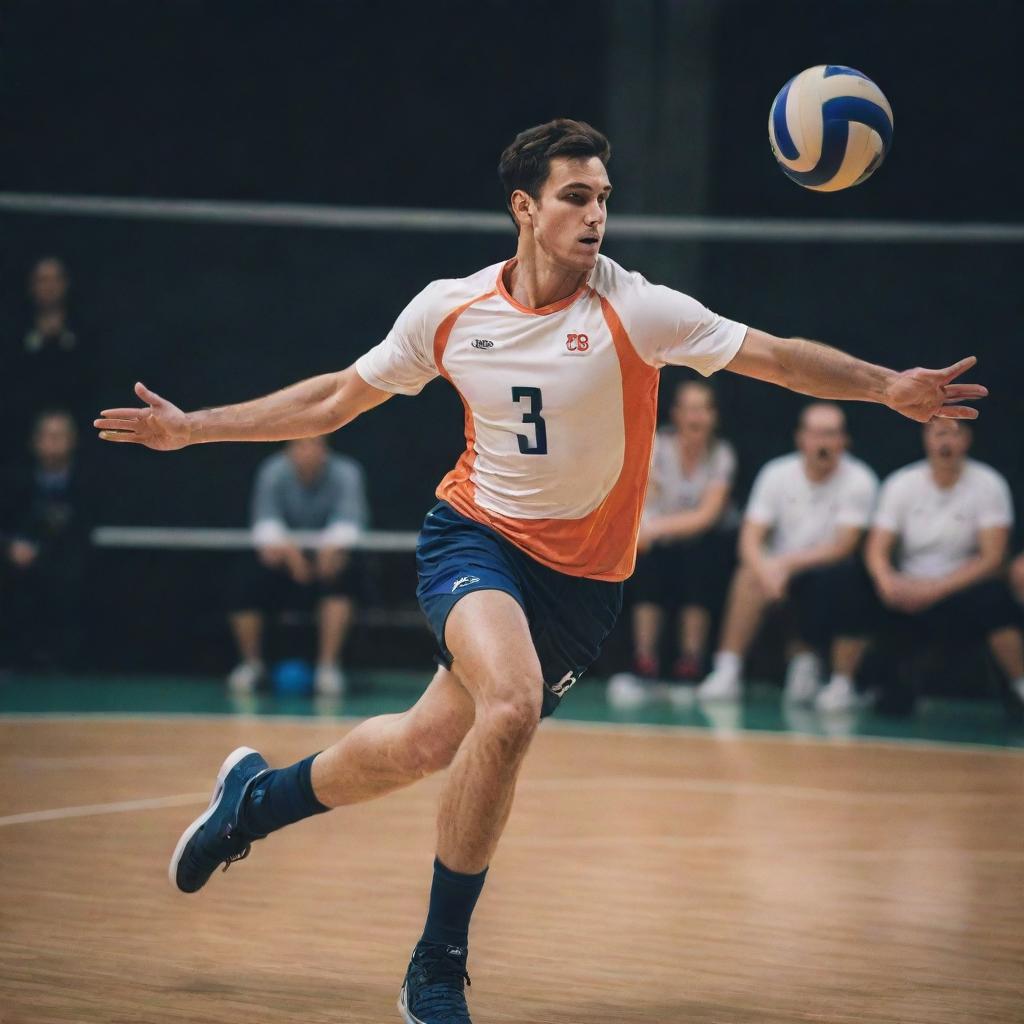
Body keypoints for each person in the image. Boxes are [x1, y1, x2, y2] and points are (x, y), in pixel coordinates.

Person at [94, 119, 986, 1024]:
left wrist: (884, 386)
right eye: (575, 196)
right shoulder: (449, 309)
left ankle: (251, 805)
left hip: (584, 584)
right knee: (510, 704)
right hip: (474, 539)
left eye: (603, 197)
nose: (596, 214)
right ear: (525, 208)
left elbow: (778, 359)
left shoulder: (636, 309)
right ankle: (435, 967)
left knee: (424, 744)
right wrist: (192, 426)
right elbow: (334, 397)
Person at [696, 403, 879, 706]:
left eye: (831, 434)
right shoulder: (776, 473)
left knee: (847, 580)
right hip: (777, 575)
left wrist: (785, 565)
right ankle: (727, 670)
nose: (823, 442)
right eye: (816, 433)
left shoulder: (860, 479)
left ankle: (834, 679)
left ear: (844, 440)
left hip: (828, 574)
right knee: (748, 573)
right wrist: (766, 569)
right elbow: (750, 539)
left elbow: (843, 547)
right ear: (800, 438)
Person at [862, 419, 1024, 713]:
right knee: (857, 588)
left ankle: (1020, 685)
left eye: (955, 434)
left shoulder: (989, 484)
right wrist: (887, 581)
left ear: (968, 439)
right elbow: (876, 549)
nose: (946, 442)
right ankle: (848, 684)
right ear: (927, 438)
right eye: (939, 434)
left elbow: (993, 557)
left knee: (996, 602)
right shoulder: (902, 483)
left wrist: (936, 589)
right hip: (908, 589)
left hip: (962, 588)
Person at [608, 379, 739, 707]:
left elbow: (707, 516)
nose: (696, 416)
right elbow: (642, 500)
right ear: (677, 414)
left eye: (703, 408)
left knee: (699, 558)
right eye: (689, 408)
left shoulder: (722, 456)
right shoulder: (656, 446)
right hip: (654, 540)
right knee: (648, 563)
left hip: (698, 542)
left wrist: (657, 528)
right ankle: (644, 663)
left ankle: (690, 665)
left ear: (714, 416)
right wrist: (648, 532)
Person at [227, 435, 369, 697]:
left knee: (342, 576)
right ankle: (251, 665)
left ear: (325, 449)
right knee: (245, 579)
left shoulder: (346, 472)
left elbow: (350, 523)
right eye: (301, 445)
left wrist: (330, 548)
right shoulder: (273, 470)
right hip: (283, 558)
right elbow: (265, 523)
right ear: (289, 450)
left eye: (315, 444)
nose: (308, 452)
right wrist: (292, 556)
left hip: (327, 557)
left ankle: (327, 669)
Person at [0, 409, 94, 670]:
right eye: (47, 435)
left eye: (60, 435)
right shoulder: (11, 482)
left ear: (73, 441)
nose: (53, 442)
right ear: (34, 441)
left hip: (68, 583)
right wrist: (9, 546)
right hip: (15, 580)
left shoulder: (88, 484)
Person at [1, 259, 96, 456]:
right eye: (43, 280)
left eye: (55, 279)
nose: (50, 287)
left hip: (77, 416)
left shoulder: (84, 329)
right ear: (32, 285)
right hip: (20, 422)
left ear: (66, 283)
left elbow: (91, 377)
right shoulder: (13, 330)